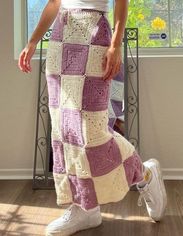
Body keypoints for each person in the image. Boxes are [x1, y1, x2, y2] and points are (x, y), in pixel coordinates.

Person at [18, 0, 167, 235]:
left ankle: (146, 174)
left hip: (94, 34)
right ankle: (85, 208)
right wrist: (33, 41)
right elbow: (54, 2)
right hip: (60, 36)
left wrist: (115, 44)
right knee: (64, 128)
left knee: (92, 130)